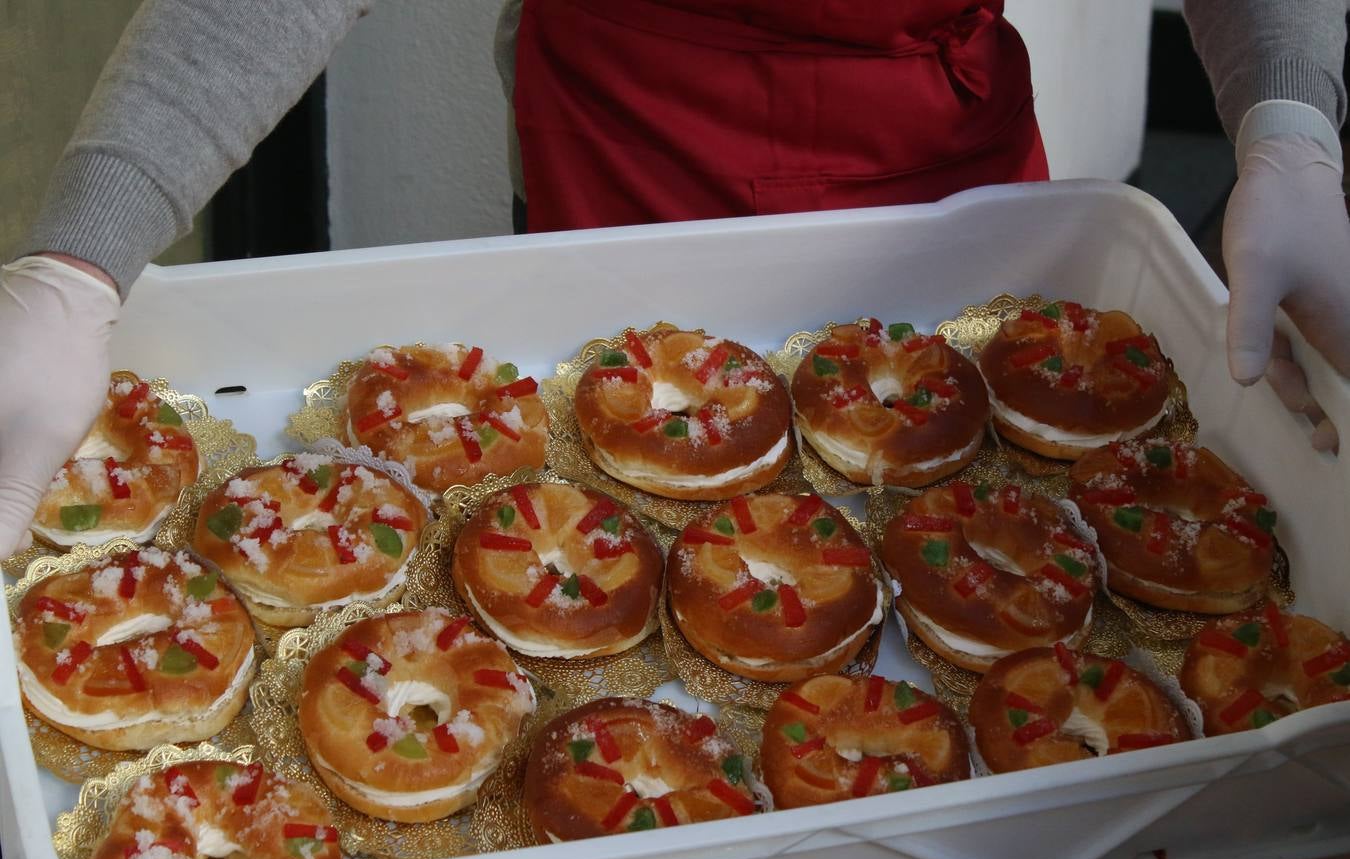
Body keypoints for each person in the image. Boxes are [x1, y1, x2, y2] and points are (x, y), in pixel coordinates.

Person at [1, 0, 1347, 560]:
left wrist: (1285, 130)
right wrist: (76, 261)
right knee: (615, 548)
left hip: (944, 188)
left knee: (991, 552)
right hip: (624, 147)